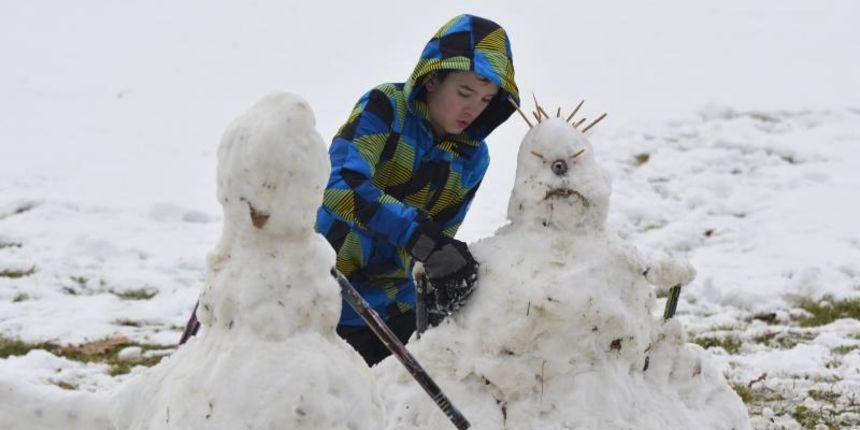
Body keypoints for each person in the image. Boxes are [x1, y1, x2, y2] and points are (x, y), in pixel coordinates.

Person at [316, 14, 520, 366]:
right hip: (318, 285)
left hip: (390, 305)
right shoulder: (385, 108)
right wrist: (416, 234)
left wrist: (445, 264)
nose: (473, 109)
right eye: (464, 92)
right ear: (432, 79)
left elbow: (436, 240)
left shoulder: (472, 159)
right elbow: (339, 187)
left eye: (486, 100)